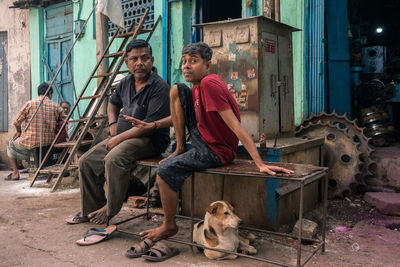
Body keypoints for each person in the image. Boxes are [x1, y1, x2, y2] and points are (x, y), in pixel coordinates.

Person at [125, 42, 294, 242]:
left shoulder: (208, 84)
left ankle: (169, 226)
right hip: (202, 139)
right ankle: (179, 147)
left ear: (208, 66)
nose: (187, 66)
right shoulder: (196, 87)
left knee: (164, 172)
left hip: (216, 150)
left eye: (194, 61)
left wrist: (259, 163)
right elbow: (178, 117)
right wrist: (151, 125)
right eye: (184, 61)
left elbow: (236, 126)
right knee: (177, 90)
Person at [66, 39, 170, 225]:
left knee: (114, 158)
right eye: (134, 59)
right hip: (122, 138)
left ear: (152, 60)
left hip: (150, 139)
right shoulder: (126, 82)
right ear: (126, 62)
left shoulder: (159, 87)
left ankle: (110, 209)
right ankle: (91, 209)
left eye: (144, 58)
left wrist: (118, 138)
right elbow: (113, 103)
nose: (140, 63)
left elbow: (147, 126)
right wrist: (113, 124)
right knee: (86, 161)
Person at [5, 82, 63, 180]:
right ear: (50, 94)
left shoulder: (29, 104)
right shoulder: (56, 106)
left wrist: (19, 132)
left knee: (10, 145)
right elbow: (64, 121)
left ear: (39, 93)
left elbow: (16, 122)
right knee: (30, 147)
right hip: (48, 143)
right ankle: (33, 167)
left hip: (31, 143)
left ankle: (15, 173)